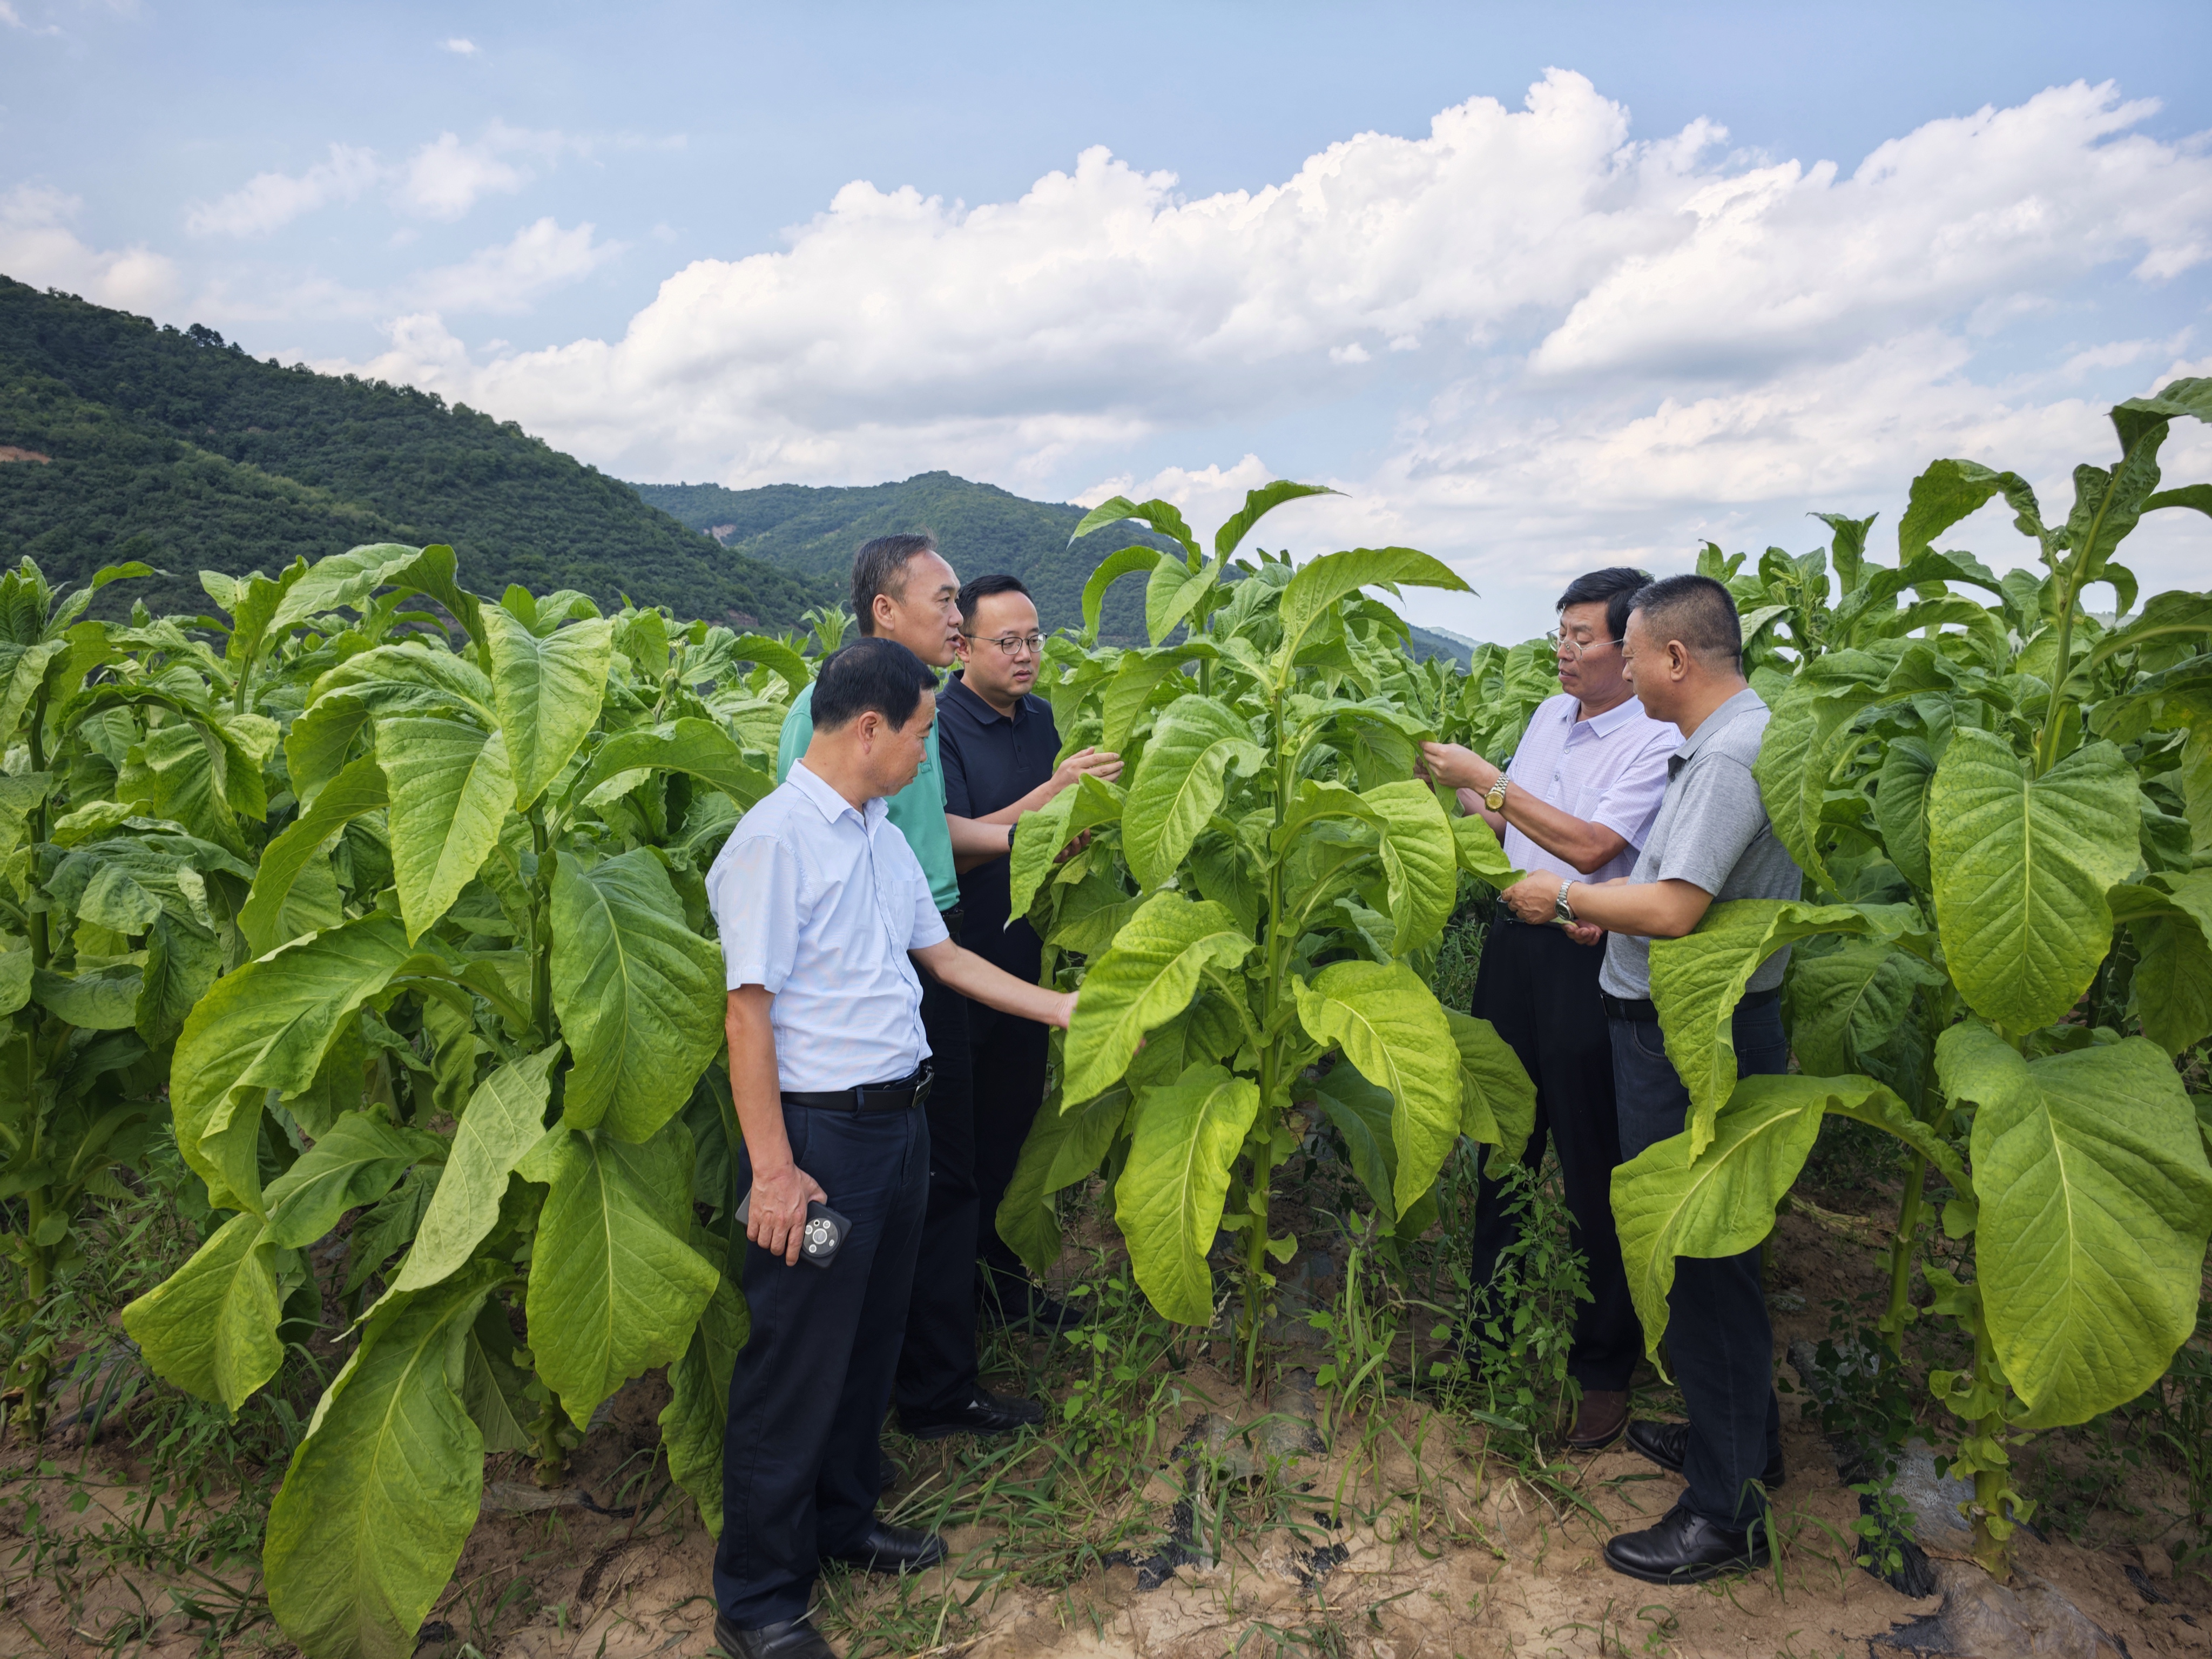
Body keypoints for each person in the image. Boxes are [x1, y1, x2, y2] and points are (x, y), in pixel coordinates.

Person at [710, 638, 1080, 1659]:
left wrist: (1064, 1009)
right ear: (868, 728)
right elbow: (747, 1016)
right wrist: (774, 1173)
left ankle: (843, 1521)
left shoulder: (878, 834)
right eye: (921, 734)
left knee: (868, 1344)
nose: (927, 755)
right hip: (818, 1147)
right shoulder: (776, 842)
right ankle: (759, 1599)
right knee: (795, 1363)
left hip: (897, 1129)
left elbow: (945, 957)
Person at [1494, 574, 1802, 1584]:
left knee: (1702, 1257)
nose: (1620, 674)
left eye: (1629, 657)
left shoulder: (1728, 757)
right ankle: (1743, 1447)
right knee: (1710, 1247)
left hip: (1689, 1038)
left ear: (1675, 658)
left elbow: (1674, 909)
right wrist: (1607, 912)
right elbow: (1673, 892)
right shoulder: (1729, 741)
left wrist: (1570, 897)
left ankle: (1725, 1514)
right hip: (1679, 1023)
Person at [774, 534, 1043, 1440]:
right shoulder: (835, 718)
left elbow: (916, 857)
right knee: (851, 1207)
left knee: (939, 1175)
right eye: (945, 599)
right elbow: (812, 878)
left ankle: (924, 1383)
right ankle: (865, 1402)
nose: (960, 617)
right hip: (867, 992)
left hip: (927, 952)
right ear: (885, 611)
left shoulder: (910, 712)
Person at [1417, 568, 1678, 1454]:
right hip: (1515, 946)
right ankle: (1487, 1336)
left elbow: (1594, 847)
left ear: (1629, 649)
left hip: (1588, 955)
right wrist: (1449, 793)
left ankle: (1603, 1369)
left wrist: (1489, 782)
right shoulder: (1546, 716)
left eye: (1582, 637)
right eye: (1559, 633)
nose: (1563, 650)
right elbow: (1512, 831)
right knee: (1502, 1140)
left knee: (1593, 1158)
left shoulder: (1650, 737)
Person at [935, 574, 1123, 1333]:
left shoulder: (1044, 719)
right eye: (1007, 642)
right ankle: (949, 1314)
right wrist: (1051, 799)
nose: (1025, 656)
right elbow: (945, 845)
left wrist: (1071, 830)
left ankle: (1004, 1291)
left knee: (1010, 1135)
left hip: (1025, 964)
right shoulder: (939, 725)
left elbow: (1045, 840)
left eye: (1034, 639)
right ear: (963, 647)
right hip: (952, 964)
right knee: (955, 1148)